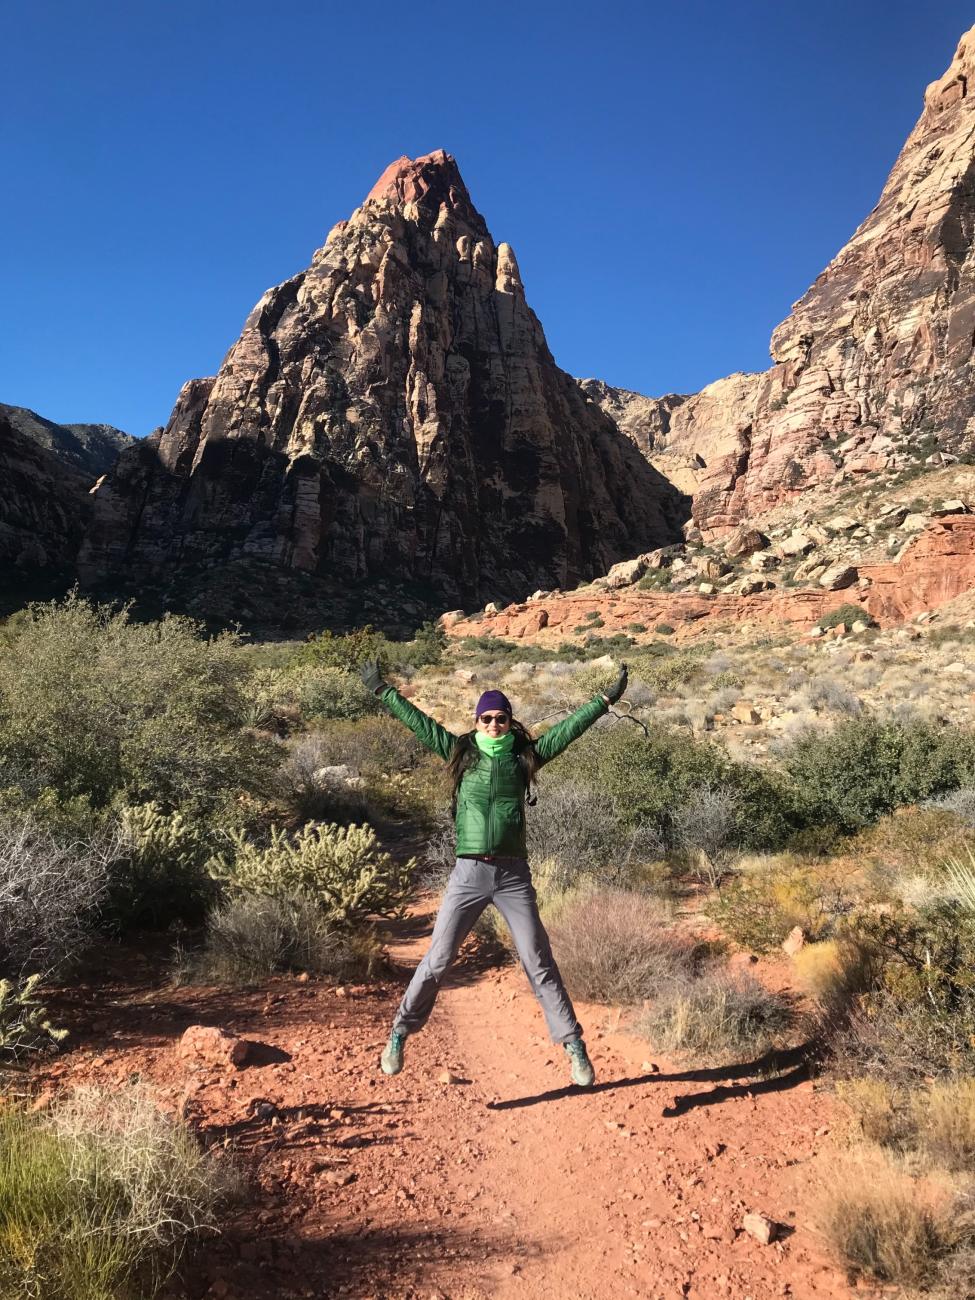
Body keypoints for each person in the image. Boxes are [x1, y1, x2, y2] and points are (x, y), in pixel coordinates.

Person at [358, 657, 628, 1087]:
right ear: (477, 721)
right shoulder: (459, 753)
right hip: (469, 873)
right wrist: (382, 690)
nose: (494, 724)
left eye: (501, 718)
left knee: (538, 960)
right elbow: (417, 721)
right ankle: (400, 1032)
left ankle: (573, 1045)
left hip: (513, 876)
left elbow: (568, 730)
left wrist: (604, 699)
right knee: (439, 958)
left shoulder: (526, 758)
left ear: (509, 721)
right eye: (487, 718)